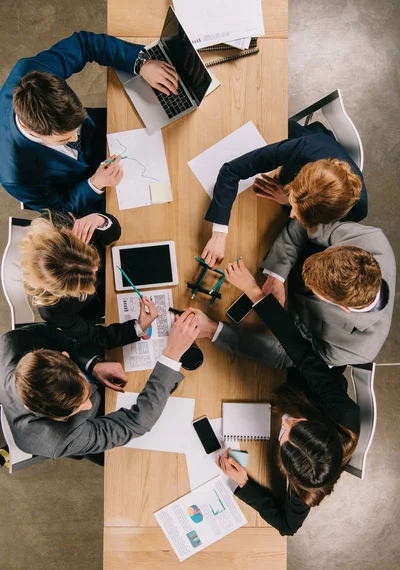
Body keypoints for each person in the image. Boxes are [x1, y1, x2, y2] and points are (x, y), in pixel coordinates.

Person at [190, 266, 360, 536]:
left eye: (283, 431)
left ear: (290, 472)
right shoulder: (343, 413)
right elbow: (302, 354)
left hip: (289, 391)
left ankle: (216, 331)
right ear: (319, 427)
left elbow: (287, 526)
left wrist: (244, 483)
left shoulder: (306, 485)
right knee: (285, 349)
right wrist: (255, 293)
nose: (284, 421)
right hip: (312, 373)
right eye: (294, 423)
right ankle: (215, 331)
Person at [0, 31, 179, 212]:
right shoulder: (15, 176)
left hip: (102, 129)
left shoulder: (33, 74)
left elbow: (84, 44)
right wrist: (95, 183)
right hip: (85, 187)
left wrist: (141, 63)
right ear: (29, 128)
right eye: (64, 139)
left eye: (75, 128)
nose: (75, 137)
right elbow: (59, 209)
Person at [0, 311, 200, 462]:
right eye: (77, 406)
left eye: (84, 394)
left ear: (64, 357)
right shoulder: (58, 439)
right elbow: (136, 423)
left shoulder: (11, 341)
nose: (87, 406)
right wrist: (172, 355)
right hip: (90, 436)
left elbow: (57, 336)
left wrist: (92, 365)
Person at [202, 120, 367, 267]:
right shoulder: (302, 148)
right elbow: (231, 170)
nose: (293, 214)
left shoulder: (357, 211)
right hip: (299, 136)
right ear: (296, 179)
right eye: (295, 206)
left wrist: (288, 201)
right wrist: (219, 233)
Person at [259, 219, 396, 365]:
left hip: (281, 326)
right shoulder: (370, 238)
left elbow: (295, 355)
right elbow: (304, 222)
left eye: (314, 288)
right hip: (278, 259)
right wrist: (276, 275)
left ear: (344, 307)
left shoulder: (358, 349)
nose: (306, 283)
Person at [20, 211, 158, 350]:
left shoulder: (61, 224)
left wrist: (98, 220)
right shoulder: (53, 308)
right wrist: (138, 327)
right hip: (100, 305)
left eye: (92, 259)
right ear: (67, 290)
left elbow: (113, 234)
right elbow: (94, 337)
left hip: (120, 263)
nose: (96, 269)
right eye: (89, 277)